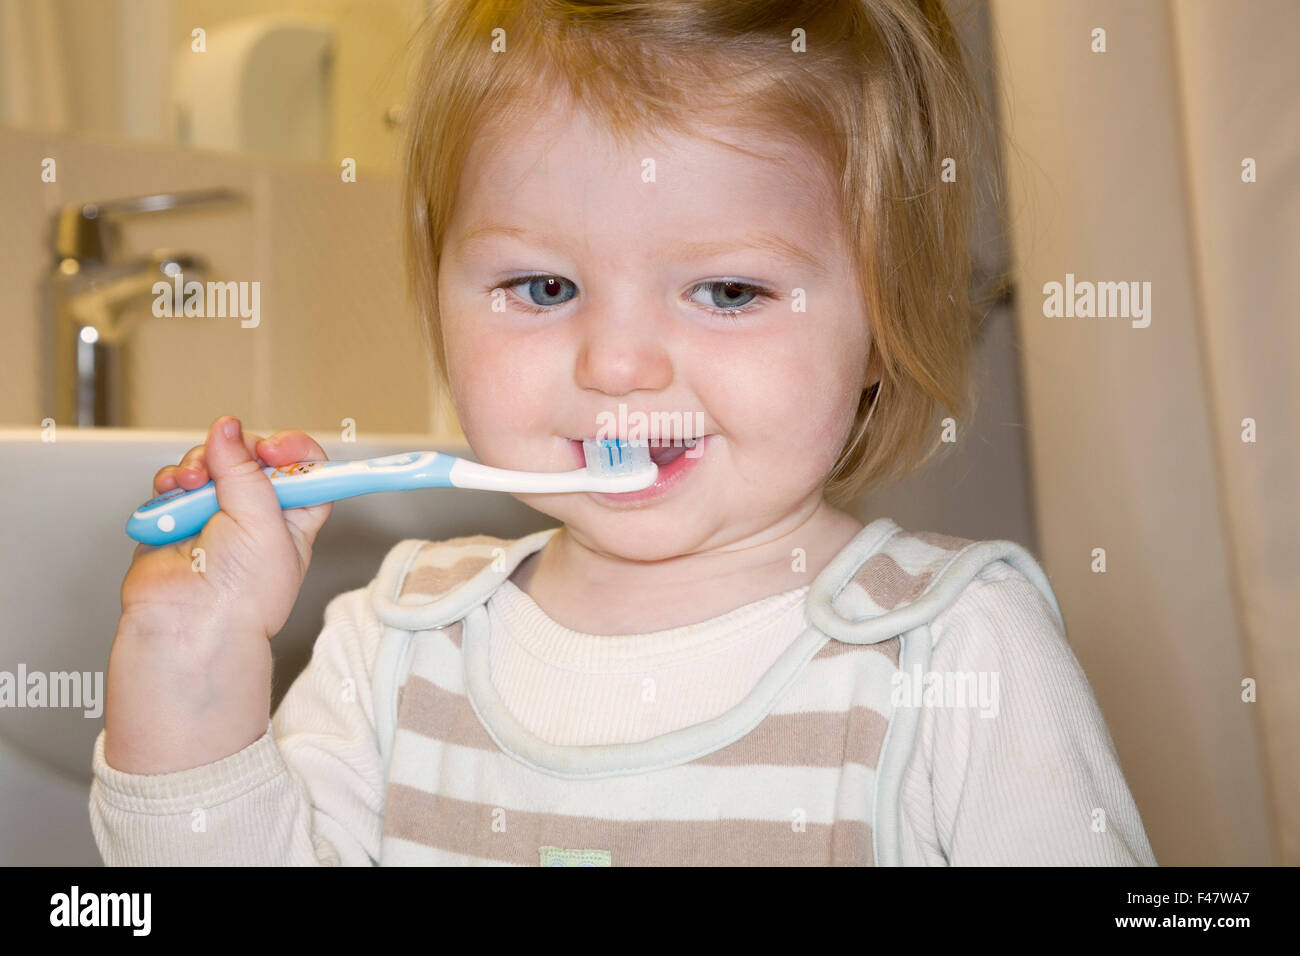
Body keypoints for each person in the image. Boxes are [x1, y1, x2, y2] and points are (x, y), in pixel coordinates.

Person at [90, 0, 1156, 866]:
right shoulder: (396, 647)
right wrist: (189, 659)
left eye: (728, 289)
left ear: (882, 323)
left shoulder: (952, 652)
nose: (615, 363)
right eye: (543, 284)